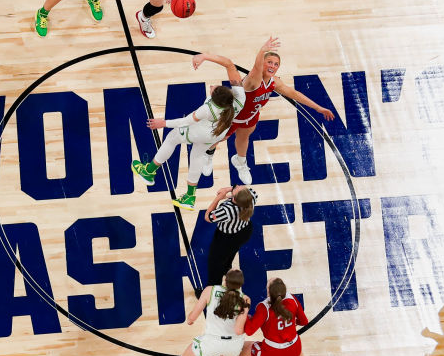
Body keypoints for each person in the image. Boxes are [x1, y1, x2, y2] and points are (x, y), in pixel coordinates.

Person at [131, 46, 256, 210]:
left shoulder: (209, 109)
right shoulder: (239, 98)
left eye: (213, 90)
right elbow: (229, 64)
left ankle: (149, 171)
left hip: (201, 132)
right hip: (217, 134)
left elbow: (187, 121)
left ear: (214, 99)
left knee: (172, 138)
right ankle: (189, 196)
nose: (212, 87)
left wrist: (164, 123)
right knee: (196, 156)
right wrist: (205, 56)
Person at [224, 41, 336, 185]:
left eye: (276, 64)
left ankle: (240, 161)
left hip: (250, 115)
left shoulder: (274, 82)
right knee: (218, 139)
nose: (272, 66)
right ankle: (207, 154)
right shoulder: (253, 79)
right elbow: (256, 67)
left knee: (243, 139)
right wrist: (261, 51)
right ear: (263, 63)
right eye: (269, 62)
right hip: (231, 115)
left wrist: (318, 108)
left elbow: (294, 93)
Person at [152, 269, 250, 356]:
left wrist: (190, 319)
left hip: (212, 342)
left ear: (224, 280)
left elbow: (192, 317)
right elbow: (239, 330)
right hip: (233, 344)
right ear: (241, 285)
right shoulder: (245, 299)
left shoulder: (210, 290)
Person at [222, 277, 311, 356]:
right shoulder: (293, 299)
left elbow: (249, 331)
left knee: (239, 350)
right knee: (295, 344)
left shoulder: (264, 308)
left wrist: (246, 314)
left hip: (272, 355)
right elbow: (304, 321)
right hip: (293, 350)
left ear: (269, 292)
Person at [204, 184, 256, 293]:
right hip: (244, 232)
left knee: (214, 263)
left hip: (226, 238)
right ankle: (226, 268)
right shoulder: (251, 196)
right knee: (231, 252)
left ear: (235, 198)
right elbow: (241, 192)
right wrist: (228, 190)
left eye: (237, 188)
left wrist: (218, 198)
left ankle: (212, 291)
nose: (237, 185)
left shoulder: (227, 211)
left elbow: (208, 217)